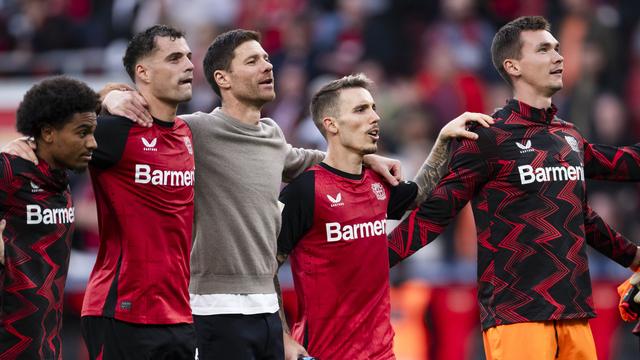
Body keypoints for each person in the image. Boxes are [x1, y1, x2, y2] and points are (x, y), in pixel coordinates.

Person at [100, 28, 402, 360]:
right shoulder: (194, 131)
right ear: (223, 79)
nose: (267, 66)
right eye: (253, 60)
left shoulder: (272, 135)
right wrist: (109, 96)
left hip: (267, 309)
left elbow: (313, 161)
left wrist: (364, 155)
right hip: (213, 307)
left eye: (267, 58)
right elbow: (146, 109)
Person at [387, 16, 640, 360]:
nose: (559, 57)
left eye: (557, 48)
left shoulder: (568, 136)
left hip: (576, 314)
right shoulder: (487, 137)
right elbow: (434, 215)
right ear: (513, 66)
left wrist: (635, 258)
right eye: (544, 49)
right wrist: (370, 262)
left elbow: (584, 211)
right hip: (517, 317)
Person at [3, 25, 198, 359]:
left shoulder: (193, 132)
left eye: (190, 57)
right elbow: (47, 130)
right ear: (143, 72)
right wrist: (104, 97)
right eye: (176, 58)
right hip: (121, 310)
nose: (190, 65)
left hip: (181, 313)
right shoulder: (113, 132)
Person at [276, 74, 494, 359]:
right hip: (325, 352)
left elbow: (418, 195)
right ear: (331, 124)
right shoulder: (304, 190)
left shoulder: (378, 182)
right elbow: (265, 267)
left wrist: (443, 140)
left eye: (373, 107)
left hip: (382, 352)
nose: (374, 117)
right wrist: (281, 335)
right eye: (360, 110)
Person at [0, 76, 99, 359]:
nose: (92, 143)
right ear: (48, 133)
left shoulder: (61, 178)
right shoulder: (10, 170)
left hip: (47, 345)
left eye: (92, 132)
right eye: (82, 133)